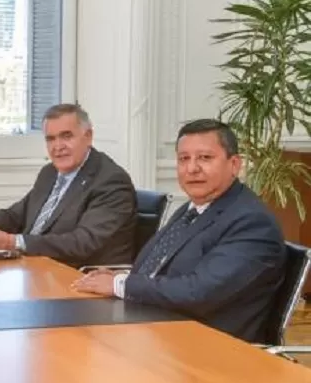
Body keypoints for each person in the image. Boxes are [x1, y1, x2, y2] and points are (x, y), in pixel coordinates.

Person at [73, 119, 286, 343]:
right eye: (184, 159)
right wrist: (121, 277)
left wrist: (121, 285)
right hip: (157, 329)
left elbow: (199, 292)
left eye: (205, 158)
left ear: (234, 164)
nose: (192, 168)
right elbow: (161, 267)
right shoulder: (194, 207)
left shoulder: (251, 222)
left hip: (208, 349)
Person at [0, 103, 137, 268]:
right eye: (50, 139)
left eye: (66, 136)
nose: (57, 147)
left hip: (79, 278)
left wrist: (11, 242)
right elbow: (15, 216)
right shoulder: (50, 172)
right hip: (37, 267)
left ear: (88, 136)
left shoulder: (111, 181)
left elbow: (82, 243)